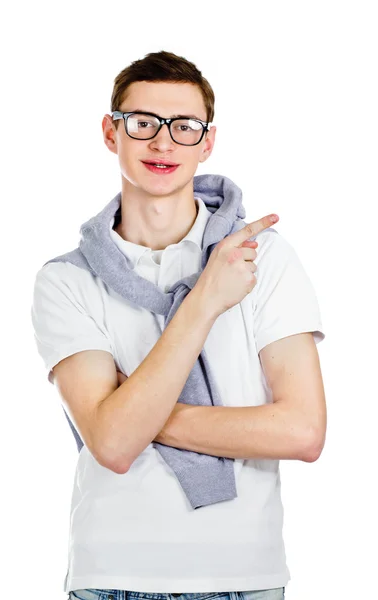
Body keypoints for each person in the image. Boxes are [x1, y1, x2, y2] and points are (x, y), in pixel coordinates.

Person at [31, 50, 327, 600]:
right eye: (142, 123)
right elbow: (114, 447)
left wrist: (130, 414)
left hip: (247, 577)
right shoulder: (65, 280)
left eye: (184, 126)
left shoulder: (262, 257)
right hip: (111, 577)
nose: (163, 143)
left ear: (207, 141)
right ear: (110, 132)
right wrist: (204, 300)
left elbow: (303, 433)